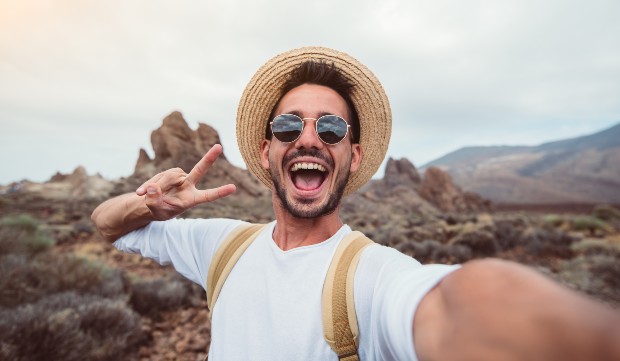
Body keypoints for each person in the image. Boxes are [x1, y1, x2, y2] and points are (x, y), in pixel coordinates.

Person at [92, 47, 619, 361]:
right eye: (287, 125)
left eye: (331, 127)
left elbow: (464, 306)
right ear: (266, 149)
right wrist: (148, 205)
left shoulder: (370, 277)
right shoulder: (222, 244)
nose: (309, 138)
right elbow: (104, 224)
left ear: (352, 153)